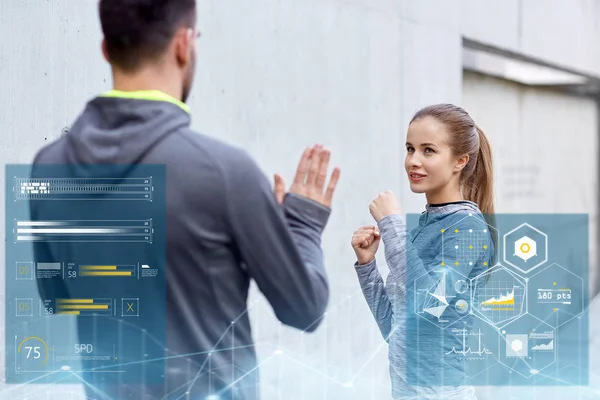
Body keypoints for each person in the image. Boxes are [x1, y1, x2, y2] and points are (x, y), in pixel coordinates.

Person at [30, 0, 340, 399]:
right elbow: (304, 308)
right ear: (183, 44)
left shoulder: (48, 165)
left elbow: (56, 298)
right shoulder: (225, 172)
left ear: (106, 49)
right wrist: (301, 225)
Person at [351, 103, 496, 399]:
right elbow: (398, 330)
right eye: (410, 148)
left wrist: (392, 226)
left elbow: (430, 307)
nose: (413, 161)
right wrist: (368, 267)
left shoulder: (467, 228)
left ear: (460, 161)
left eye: (428, 150)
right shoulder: (422, 229)